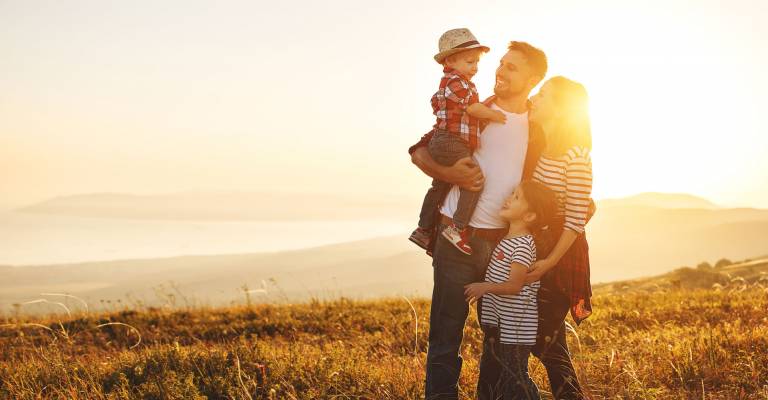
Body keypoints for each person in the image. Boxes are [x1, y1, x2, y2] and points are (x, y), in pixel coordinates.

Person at [409, 41, 549, 400]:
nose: (500, 71)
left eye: (512, 67)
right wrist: (449, 172)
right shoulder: (473, 111)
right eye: (501, 64)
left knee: (498, 334)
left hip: (504, 245)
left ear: (533, 79)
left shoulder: (539, 128)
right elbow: (419, 152)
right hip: (456, 235)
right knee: (446, 331)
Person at [410, 28, 507, 256]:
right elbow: (472, 108)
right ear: (451, 61)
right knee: (473, 180)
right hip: (451, 141)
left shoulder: (454, 81)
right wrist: (494, 115)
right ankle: (458, 228)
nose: (474, 68)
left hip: (445, 141)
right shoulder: (457, 82)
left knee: (439, 185)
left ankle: (423, 229)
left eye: (476, 63)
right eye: (470, 62)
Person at [464, 180, 559, 400]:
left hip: (516, 327)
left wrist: (484, 288)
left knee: (515, 378)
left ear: (529, 216)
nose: (508, 198)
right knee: (504, 377)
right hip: (503, 324)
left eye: (516, 197)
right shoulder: (508, 238)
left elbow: (515, 286)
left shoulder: (523, 245)